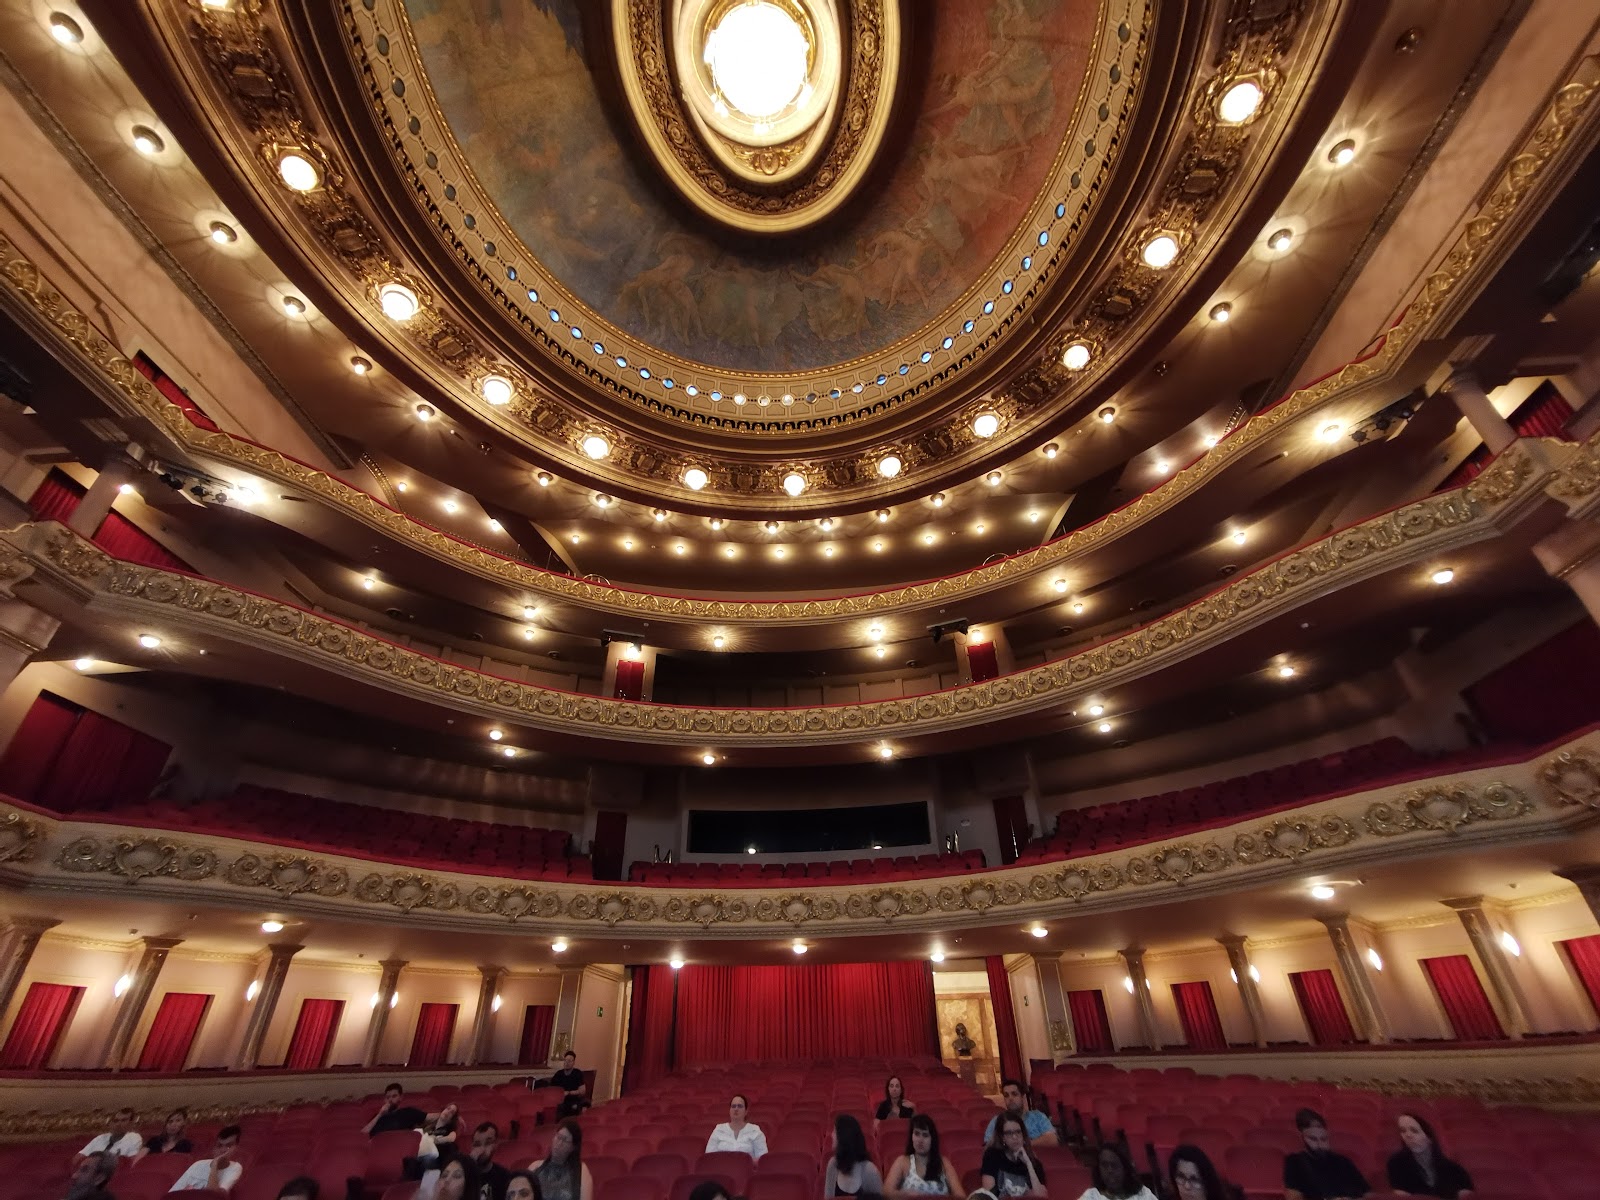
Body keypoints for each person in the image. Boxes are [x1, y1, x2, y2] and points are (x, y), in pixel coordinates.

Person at [1284, 1110, 1369, 1200]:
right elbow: (1294, 1197)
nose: (1320, 1144)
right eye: (1313, 1138)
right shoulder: (1295, 1162)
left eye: (1323, 1138)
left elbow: (1367, 1193)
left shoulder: (1343, 1161)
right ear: (1302, 1137)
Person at [1385, 1114, 1473, 1199]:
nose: (1408, 1135)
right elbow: (1401, 1196)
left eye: (1414, 1131)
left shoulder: (1454, 1170)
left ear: (1430, 1137)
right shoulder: (1396, 1164)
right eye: (1403, 1131)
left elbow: (1467, 1194)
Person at [885, 1114, 966, 1199]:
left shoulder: (944, 1163)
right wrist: (905, 1194)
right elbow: (886, 1193)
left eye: (925, 1135)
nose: (920, 1140)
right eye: (917, 1134)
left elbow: (960, 1196)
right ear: (911, 1136)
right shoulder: (902, 1161)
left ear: (932, 1139)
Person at [980, 1113, 1047, 1198]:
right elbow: (989, 1195)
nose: (1015, 1137)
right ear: (1002, 1137)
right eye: (1009, 1133)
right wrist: (1026, 1195)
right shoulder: (992, 1156)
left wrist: (1028, 1164)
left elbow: (1041, 1197)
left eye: (1018, 1132)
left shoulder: (1034, 1163)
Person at [528, 1119, 593, 1200]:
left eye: (565, 1140)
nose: (559, 1143)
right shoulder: (535, 1167)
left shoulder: (581, 1170)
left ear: (572, 1147)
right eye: (558, 1137)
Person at [169, 1125, 243, 1193]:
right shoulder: (198, 1165)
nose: (223, 1150)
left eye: (228, 1146)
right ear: (214, 1148)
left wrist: (214, 1165)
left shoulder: (235, 1167)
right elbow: (173, 1192)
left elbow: (213, 1196)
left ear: (236, 1148)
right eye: (219, 1146)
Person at [826, 1115, 885, 1198]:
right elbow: (828, 1198)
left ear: (844, 1138)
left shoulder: (869, 1171)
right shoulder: (833, 1164)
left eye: (835, 1132)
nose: (831, 1135)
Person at [982, 1081, 1056, 1146]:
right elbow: (988, 1146)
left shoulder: (1038, 1117)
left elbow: (1052, 1140)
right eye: (1006, 1095)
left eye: (1014, 1094)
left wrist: (1021, 1145)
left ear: (1023, 1097)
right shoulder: (997, 1121)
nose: (1010, 1098)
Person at [1077, 1143, 1153, 1200]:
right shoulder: (1091, 1196)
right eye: (1104, 1165)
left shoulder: (1143, 1194)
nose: (1110, 1170)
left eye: (1114, 1165)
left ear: (1125, 1168)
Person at [705, 1094, 767, 1159]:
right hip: (721, 1168)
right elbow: (709, 1157)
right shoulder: (719, 1130)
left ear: (746, 1111)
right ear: (729, 1110)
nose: (736, 1109)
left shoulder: (755, 1131)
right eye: (733, 1106)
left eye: (740, 1106)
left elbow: (762, 1159)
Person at [75, 1108, 142, 1166]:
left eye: (123, 1120)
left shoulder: (134, 1138)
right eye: (116, 1121)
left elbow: (130, 1161)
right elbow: (79, 1157)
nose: (118, 1124)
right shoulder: (100, 1138)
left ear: (131, 1123)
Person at [467, 1120, 512, 1200]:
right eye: (477, 1144)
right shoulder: (464, 1176)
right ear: (472, 1147)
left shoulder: (505, 1177)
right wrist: (470, 1165)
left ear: (495, 1145)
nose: (482, 1149)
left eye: (488, 1143)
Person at [419, 1103, 462, 1170]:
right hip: (423, 1151)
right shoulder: (429, 1127)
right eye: (448, 1109)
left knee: (427, 1159)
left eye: (452, 1112)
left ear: (452, 1119)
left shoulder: (449, 1129)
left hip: (436, 1158)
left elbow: (451, 1138)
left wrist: (436, 1140)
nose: (448, 1112)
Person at [550, 1050, 588, 1118]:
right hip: (560, 1099)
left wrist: (569, 1093)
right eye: (565, 1060)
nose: (567, 1063)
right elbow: (551, 1088)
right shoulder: (559, 1074)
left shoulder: (577, 1073)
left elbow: (582, 1091)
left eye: (570, 1061)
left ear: (573, 1062)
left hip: (573, 1099)